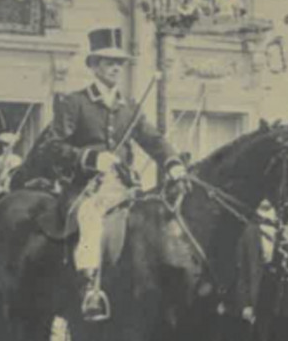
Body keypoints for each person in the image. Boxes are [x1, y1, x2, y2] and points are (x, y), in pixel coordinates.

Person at [29, 26, 184, 321]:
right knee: (90, 217)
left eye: (120, 63)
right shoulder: (75, 103)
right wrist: (90, 157)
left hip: (124, 187)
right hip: (86, 187)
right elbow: (50, 147)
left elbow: (153, 140)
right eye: (109, 62)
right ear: (94, 66)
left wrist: (173, 162)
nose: (116, 68)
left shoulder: (130, 108)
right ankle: (90, 289)